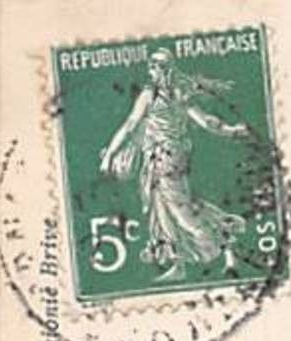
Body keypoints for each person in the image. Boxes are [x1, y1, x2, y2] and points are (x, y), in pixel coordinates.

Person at [97, 49, 251, 283]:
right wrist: (230, 130)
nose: (151, 71)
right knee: (166, 211)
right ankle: (181, 264)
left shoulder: (152, 94)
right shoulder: (179, 92)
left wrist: (109, 155)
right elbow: (206, 121)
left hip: (164, 160)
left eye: (154, 67)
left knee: (182, 214)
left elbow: (130, 125)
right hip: (170, 158)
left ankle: (223, 243)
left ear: (161, 69)